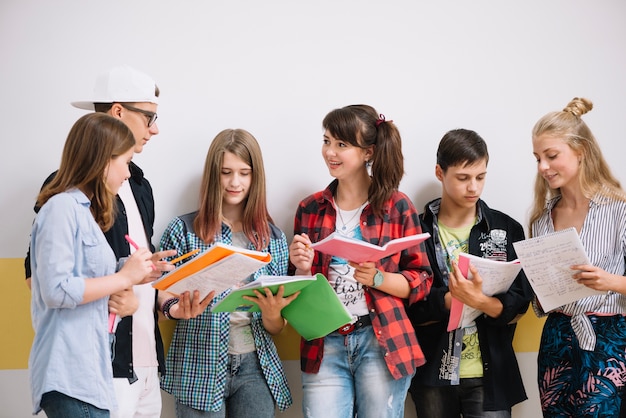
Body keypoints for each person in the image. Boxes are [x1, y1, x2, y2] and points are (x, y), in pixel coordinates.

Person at [25, 65, 209, 418]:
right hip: (99, 367)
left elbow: (134, 279)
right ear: (119, 112)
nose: (155, 129)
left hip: (146, 361)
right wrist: (119, 285)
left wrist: (167, 302)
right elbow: (42, 281)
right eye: (149, 117)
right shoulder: (65, 196)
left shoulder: (140, 185)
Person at [288, 104, 433, 418]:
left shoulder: (397, 205)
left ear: (368, 152)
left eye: (341, 144)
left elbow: (422, 280)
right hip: (324, 344)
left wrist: (378, 278)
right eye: (327, 141)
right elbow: (293, 292)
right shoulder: (310, 208)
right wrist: (301, 267)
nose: (330, 152)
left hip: (380, 342)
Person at [159, 128, 295, 417]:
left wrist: (272, 313)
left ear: (255, 177)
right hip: (198, 365)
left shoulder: (273, 238)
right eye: (226, 172)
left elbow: (276, 326)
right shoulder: (182, 230)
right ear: (213, 175)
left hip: (256, 368)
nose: (235, 182)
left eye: (244, 173)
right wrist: (175, 308)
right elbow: (161, 295)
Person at [29, 112, 157, 417]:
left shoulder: (85, 212)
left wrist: (137, 271)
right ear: (103, 160)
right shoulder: (61, 208)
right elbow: (57, 290)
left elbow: (91, 276)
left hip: (90, 373)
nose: (128, 174)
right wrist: (123, 275)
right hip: (71, 375)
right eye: (125, 163)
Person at [406, 128, 533, 417]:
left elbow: (519, 302)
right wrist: (449, 299)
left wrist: (478, 300)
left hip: (492, 371)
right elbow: (408, 303)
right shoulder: (415, 231)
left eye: (480, 176)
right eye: (463, 178)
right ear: (440, 172)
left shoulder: (506, 228)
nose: (473, 187)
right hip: (432, 372)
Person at [529, 97, 626, 416]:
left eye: (551, 156)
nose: (543, 167)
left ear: (581, 152)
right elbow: (540, 303)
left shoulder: (618, 209)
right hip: (556, 340)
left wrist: (608, 281)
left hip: (608, 341)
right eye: (537, 158)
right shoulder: (541, 220)